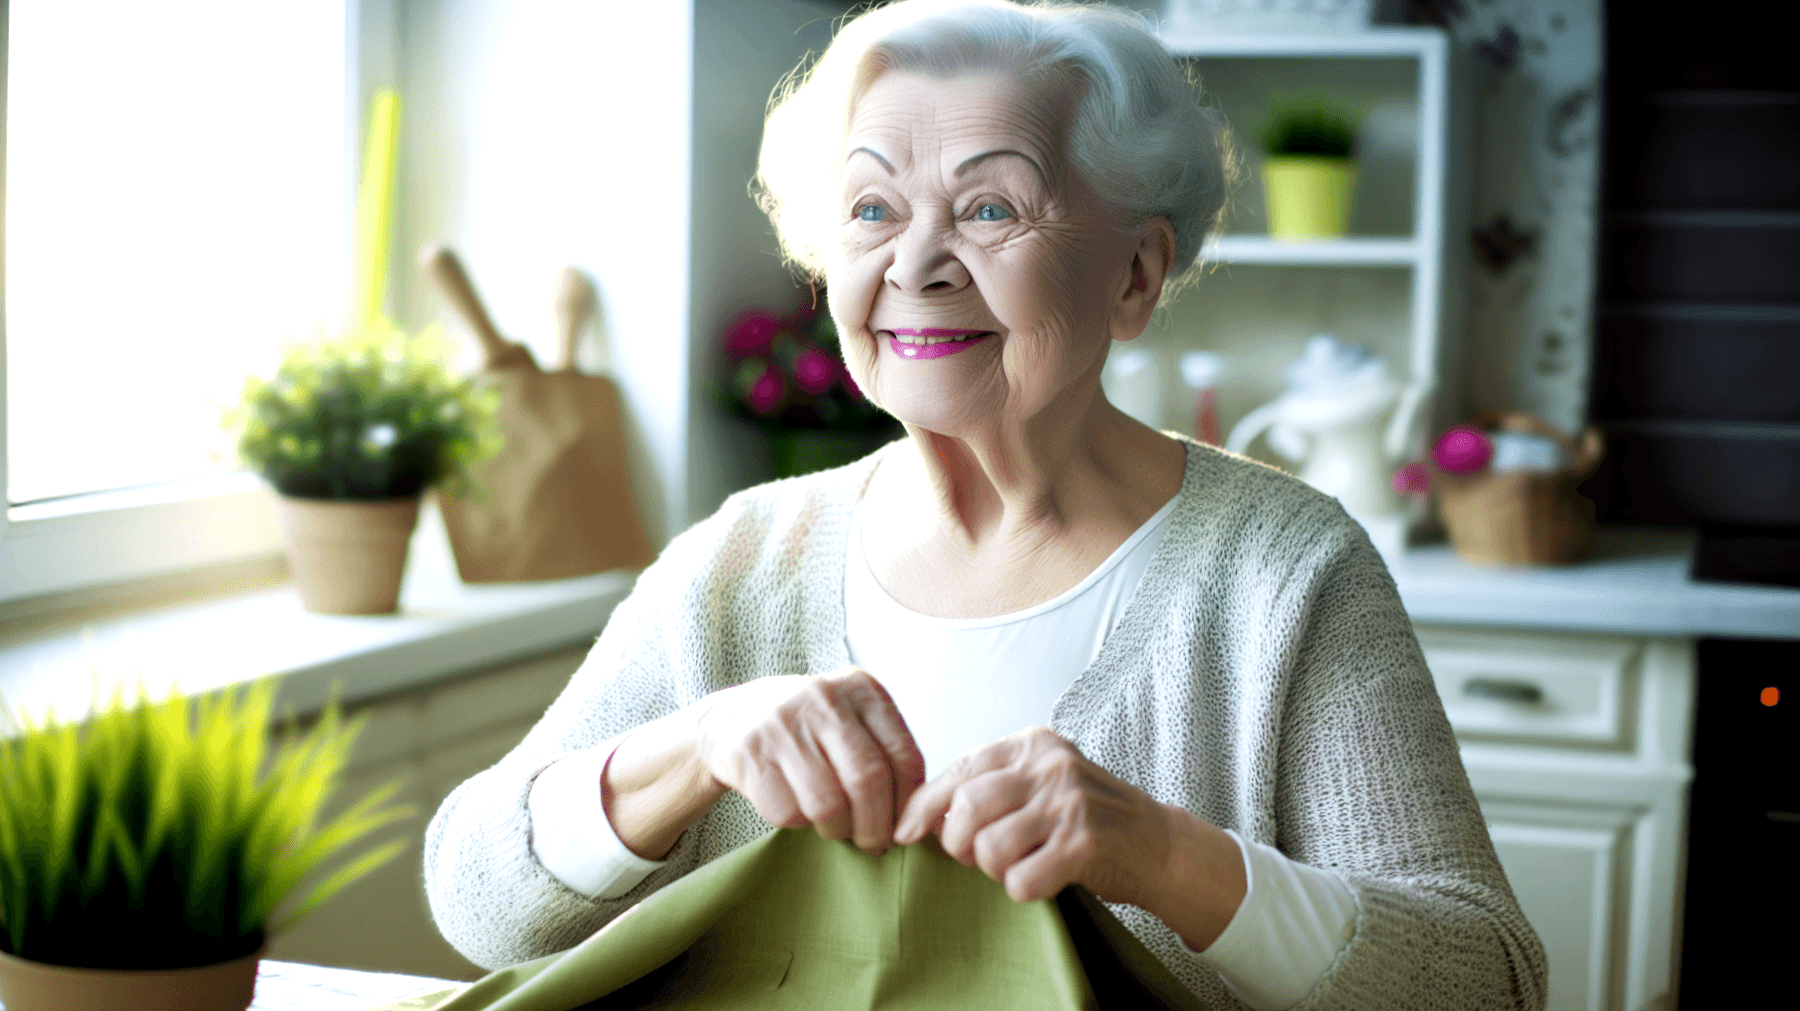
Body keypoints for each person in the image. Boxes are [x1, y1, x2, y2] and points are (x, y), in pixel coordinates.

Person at [424, 2, 1548, 1008]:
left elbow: (1488, 981)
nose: (917, 263)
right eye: (872, 208)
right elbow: (475, 902)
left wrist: (1161, 854)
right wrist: (698, 744)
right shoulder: (743, 559)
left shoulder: (1285, 572)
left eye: (991, 207)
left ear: (1136, 275)